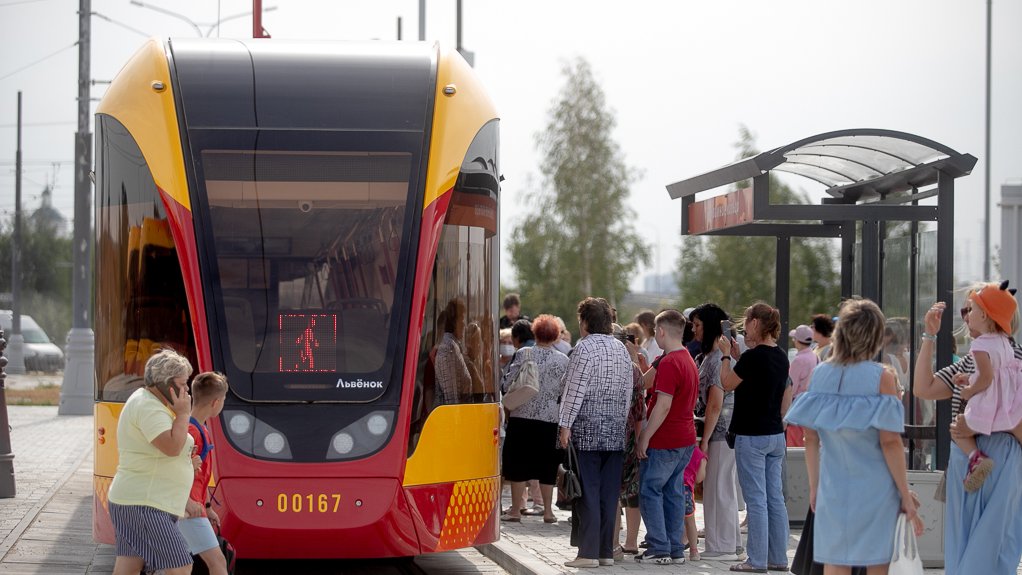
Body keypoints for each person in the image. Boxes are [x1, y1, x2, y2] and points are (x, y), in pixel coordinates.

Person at [785, 298, 919, 575]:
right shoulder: (883, 377)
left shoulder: (820, 374)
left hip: (833, 487)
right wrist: (905, 493)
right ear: (874, 335)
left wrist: (814, 487)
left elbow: (811, 437)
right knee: (877, 564)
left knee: (835, 564)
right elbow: (890, 442)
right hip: (876, 489)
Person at [913, 298, 1022, 574]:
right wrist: (929, 336)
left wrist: (980, 426)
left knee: (995, 538)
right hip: (967, 459)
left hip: (1000, 453)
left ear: (989, 316)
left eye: (969, 311)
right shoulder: (968, 362)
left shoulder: (1015, 360)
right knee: (965, 538)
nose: (965, 318)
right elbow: (923, 388)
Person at [558, 297, 634, 569]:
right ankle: (604, 551)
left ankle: (587, 553)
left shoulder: (584, 349)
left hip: (588, 431)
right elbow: (628, 391)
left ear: (585, 321)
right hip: (615, 432)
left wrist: (564, 425)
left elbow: (574, 390)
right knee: (608, 494)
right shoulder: (621, 349)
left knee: (587, 493)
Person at [107, 349, 196, 575]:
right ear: (166, 383)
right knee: (181, 565)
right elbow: (171, 447)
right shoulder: (148, 407)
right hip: (145, 503)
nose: (187, 389)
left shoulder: (148, 402)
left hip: (139, 500)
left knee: (129, 565)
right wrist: (184, 414)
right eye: (183, 383)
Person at [719, 303, 790, 574]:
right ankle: (778, 558)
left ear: (756, 323)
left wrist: (727, 357)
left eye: (748, 321)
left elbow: (726, 383)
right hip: (775, 434)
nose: (745, 326)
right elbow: (757, 381)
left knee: (756, 500)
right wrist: (739, 357)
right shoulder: (780, 356)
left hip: (751, 435)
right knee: (775, 499)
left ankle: (756, 560)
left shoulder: (752, 357)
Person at [635, 309, 699, 565]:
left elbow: (662, 405)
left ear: (661, 331)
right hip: (685, 438)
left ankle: (658, 548)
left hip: (666, 438)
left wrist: (645, 437)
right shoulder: (687, 358)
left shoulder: (671, 363)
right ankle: (674, 548)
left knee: (650, 490)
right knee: (673, 491)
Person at [953, 281, 1022, 491]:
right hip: (1007, 405)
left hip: (989, 405)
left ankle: (976, 458)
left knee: (957, 428)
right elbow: (996, 372)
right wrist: (969, 378)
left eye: (971, 309)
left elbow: (987, 378)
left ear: (983, 315)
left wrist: (969, 390)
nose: (967, 315)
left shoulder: (980, 344)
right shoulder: (1003, 341)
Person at [500, 315, 568, 524]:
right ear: (556, 336)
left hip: (522, 417)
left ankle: (516, 510)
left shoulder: (523, 354)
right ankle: (547, 511)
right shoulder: (563, 360)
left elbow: (508, 381)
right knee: (547, 466)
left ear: (535, 333)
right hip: (550, 420)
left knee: (518, 463)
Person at [691, 303, 743, 561]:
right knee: (722, 488)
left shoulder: (715, 360)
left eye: (698, 324)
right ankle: (729, 542)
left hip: (720, 432)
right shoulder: (712, 358)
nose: (694, 329)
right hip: (722, 432)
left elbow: (714, 403)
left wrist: (705, 440)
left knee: (718, 489)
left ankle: (722, 546)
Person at [178, 372, 230, 575]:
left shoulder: (199, 429)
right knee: (217, 562)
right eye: (224, 400)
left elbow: (200, 476)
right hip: (189, 510)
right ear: (216, 402)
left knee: (178, 565)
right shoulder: (193, 432)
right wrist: (192, 505)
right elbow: (177, 472)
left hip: (193, 507)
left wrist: (208, 506)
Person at [616, 324, 647, 556]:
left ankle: (613, 541)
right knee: (631, 491)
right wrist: (638, 439)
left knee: (613, 491)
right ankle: (631, 541)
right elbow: (640, 411)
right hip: (629, 436)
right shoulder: (634, 369)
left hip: (609, 436)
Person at [434, 299, 472, 405]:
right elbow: (451, 397)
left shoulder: (454, 345)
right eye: (462, 320)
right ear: (454, 322)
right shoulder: (448, 347)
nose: (464, 324)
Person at [786, 324, 818, 447]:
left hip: (797, 409)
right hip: (811, 408)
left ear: (797, 341)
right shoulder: (815, 357)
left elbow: (791, 388)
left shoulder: (798, 360)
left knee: (794, 445)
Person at [682, 445, 708, 563]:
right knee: (690, 521)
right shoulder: (700, 454)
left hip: (671, 487)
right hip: (686, 488)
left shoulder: (677, 447)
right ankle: (694, 551)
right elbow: (699, 478)